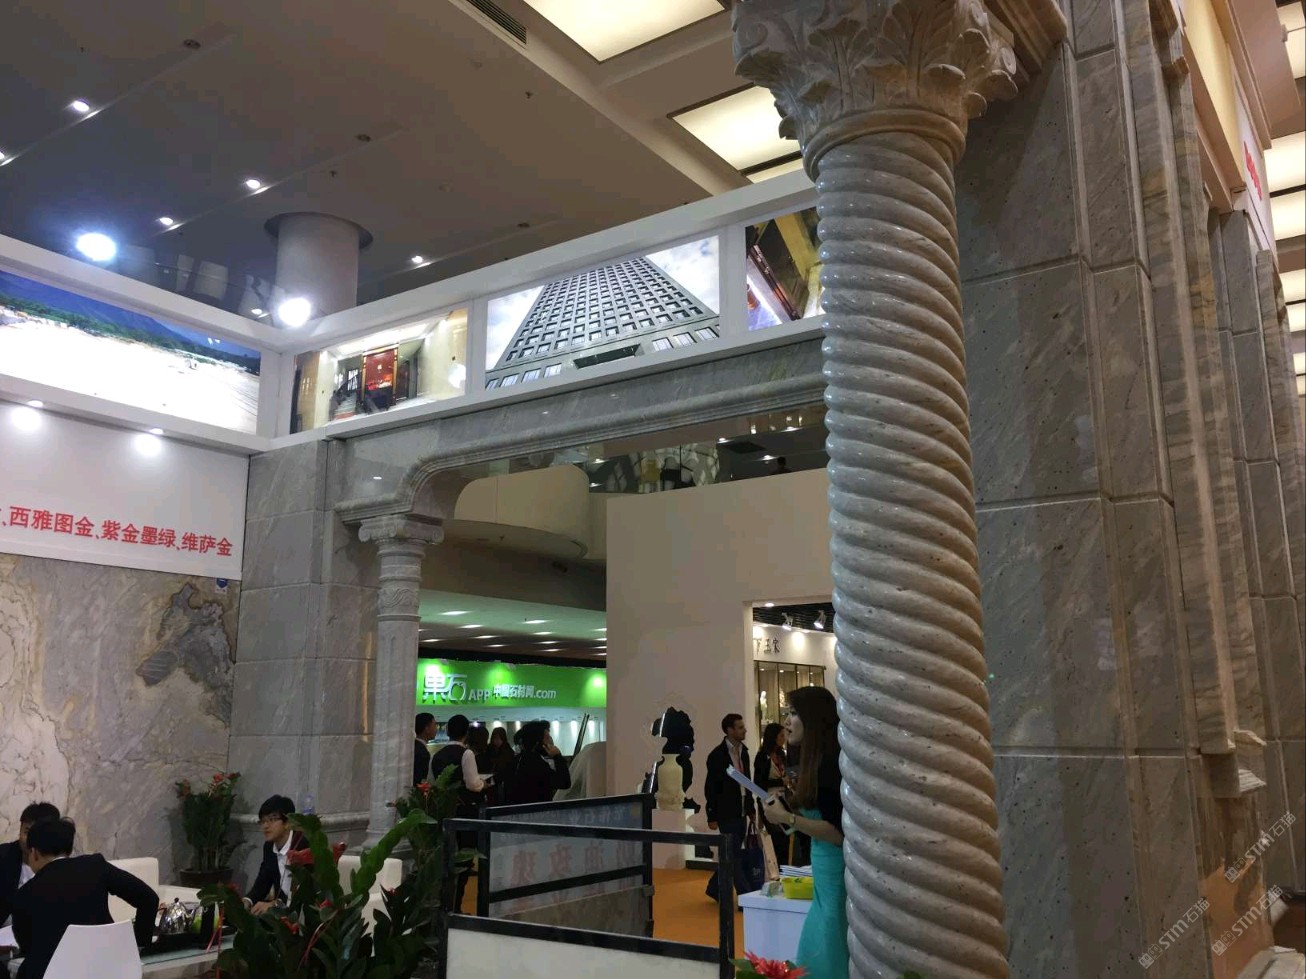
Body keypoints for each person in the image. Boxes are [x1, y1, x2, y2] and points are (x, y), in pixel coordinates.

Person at [761, 687, 847, 979]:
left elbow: (838, 833)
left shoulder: (829, 765)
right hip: (824, 872)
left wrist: (788, 818)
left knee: (828, 951)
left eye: (794, 713)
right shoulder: (814, 762)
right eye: (787, 712)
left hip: (836, 873)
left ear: (813, 718)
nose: (786, 721)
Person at [10, 818, 158, 979]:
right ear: (68, 850)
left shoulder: (24, 895)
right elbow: (149, 899)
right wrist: (138, 948)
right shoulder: (95, 866)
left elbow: (28, 949)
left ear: (34, 853)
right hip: (111, 970)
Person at [429, 715, 488, 912]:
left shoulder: (437, 754)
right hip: (465, 811)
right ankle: (457, 906)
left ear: (446, 731)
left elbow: (432, 783)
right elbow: (473, 784)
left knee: (445, 858)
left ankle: (442, 905)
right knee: (464, 859)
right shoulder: (467, 754)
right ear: (466, 733)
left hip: (444, 811)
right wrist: (483, 784)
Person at [703, 713, 753, 901]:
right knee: (734, 855)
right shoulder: (717, 756)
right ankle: (745, 895)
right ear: (729, 730)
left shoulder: (744, 752)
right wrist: (711, 815)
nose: (745, 730)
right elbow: (711, 787)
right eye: (740, 727)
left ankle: (713, 887)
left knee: (731, 854)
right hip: (726, 812)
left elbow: (747, 782)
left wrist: (750, 808)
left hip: (742, 810)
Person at [0, 802, 60, 928]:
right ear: (20, 831)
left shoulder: (60, 865)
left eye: (39, 833)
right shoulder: (3, 856)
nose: (31, 840)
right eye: (27, 832)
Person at [247, 795, 310, 915]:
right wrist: (247, 901)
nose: (265, 826)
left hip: (305, 913)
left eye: (271, 819)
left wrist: (275, 904)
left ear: (288, 822)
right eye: (263, 821)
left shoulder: (304, 845)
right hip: (281, 912)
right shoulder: (269, 847)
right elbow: (263, 881)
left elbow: (303, 894)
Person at [503, 721, 571, 805]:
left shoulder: (517, 760)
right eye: (547, 738)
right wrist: (558, 756)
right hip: (537, 810)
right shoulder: (536, 764)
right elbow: (564, 783)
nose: (550, 742)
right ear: (538, 742)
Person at [753, 722, 789, 865]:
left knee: (785, 838)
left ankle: (784, 869)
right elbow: (758, 783)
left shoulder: (781, 754)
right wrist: (780, 781)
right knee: (776, 838)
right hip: (768, 801)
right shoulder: (762, 756)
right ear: (773, 737)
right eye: (781, 736)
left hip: (783, 800)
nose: (784, 738)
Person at [414, 712, 437, 786]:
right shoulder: (422, 753)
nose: (436, 729)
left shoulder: (413, 746)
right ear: (427, 729)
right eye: (434, 725)